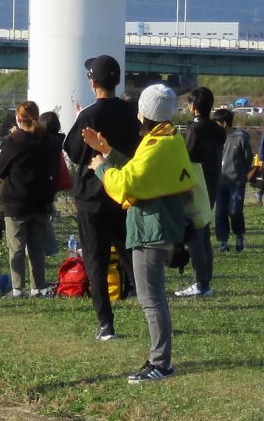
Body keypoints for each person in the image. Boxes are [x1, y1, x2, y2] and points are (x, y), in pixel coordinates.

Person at [81, 84, 197, 383]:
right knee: (153, 296)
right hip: (161, 225)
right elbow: (140, 171)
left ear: (143, 113)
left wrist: (101, 167)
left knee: (151, 298)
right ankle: (160, 358)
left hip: (151, 229)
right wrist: (107, 150)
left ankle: (161, 362)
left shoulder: (158, 146)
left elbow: (127, 184)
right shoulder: (169, 140)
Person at [64, 54, 141, 344]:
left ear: (93, 82)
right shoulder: (131, 112)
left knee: (95, 260)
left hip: (92, 196)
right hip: (122, 194)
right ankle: (152, 312)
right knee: (131, 255)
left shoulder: (89, 115)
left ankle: (106, 324)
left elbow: (73, 151)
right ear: (117, 80)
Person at [0, 99, 59, 296]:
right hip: (40, 200)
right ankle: (37, 287)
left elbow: (0, 170)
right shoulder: (45, 140)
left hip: (16, 201)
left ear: (18, 118)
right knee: (36, 248)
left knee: (17, 247)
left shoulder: (13, 141)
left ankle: (17, 288)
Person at [176, 88, 224, 299]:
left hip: (196, 184)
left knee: (195, 233)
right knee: (204, 231)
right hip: (212, 184)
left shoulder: (196, 128)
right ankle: (206, 280)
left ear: (193, 105)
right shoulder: (217, 128)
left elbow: (187, 157)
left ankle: (200, 282)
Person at [215, 109, 253, 252]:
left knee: (235, 211)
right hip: (220, 181)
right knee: (220, 213)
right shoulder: (216, 139)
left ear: (224, 123)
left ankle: (239, 236)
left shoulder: (241, 138)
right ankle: (223, 242)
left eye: (217, 123)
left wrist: (241, 172)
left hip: (236, 181)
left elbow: (248, 157)